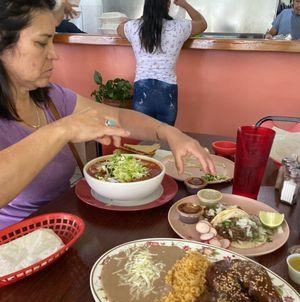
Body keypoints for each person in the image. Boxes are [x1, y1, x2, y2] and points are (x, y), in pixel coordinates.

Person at [0, 0, 215, 229]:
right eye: (42, 43)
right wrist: (63, 129)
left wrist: (168, 132)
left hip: (64, 228)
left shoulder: (52, 98)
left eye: (53, 40)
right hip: (16, 248)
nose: (54, 55)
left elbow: (117, 118)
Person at [117, 0, 207, 126]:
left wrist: (141, 18)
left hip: (142, 88)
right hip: (167, 90)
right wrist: (184, 4)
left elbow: (119, 29)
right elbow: (202, 24)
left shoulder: (133, 27)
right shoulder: (179, 27)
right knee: (165, 139)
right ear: (168, 5)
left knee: (145, 140)